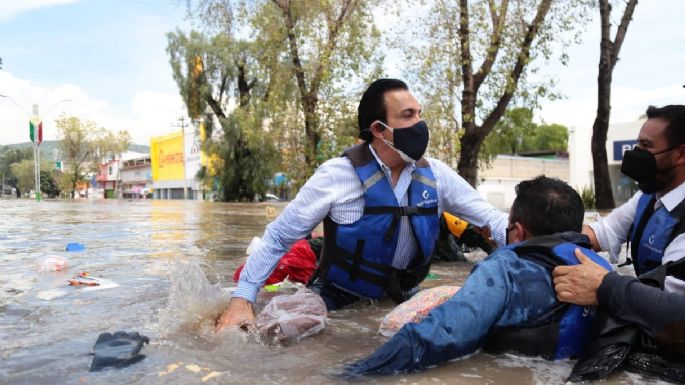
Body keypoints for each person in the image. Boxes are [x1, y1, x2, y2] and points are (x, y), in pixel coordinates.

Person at [215, 78, 508, 331]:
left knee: (470, 322)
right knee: (283, 328)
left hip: (405, 293)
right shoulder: (336, 176)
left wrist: (545, 252)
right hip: (336, 295)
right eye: (408, 116)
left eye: (419, 114)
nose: (420, 124)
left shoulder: (437, 175)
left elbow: (493, 220)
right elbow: (278, 237)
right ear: (379, 129)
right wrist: (242, 299)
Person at [343, 176, 613, 376]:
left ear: (517, 232)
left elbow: (441, 334)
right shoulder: (602, 270)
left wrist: (353, 373)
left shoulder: (507, 268)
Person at [552, 105, 685, 382]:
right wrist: (544, 235)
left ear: (681, 153)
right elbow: (599, 233)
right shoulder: (648, 198)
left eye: (646, 146)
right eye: (636, 143)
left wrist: (604, 287)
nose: (636, 154)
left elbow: (677, 312)